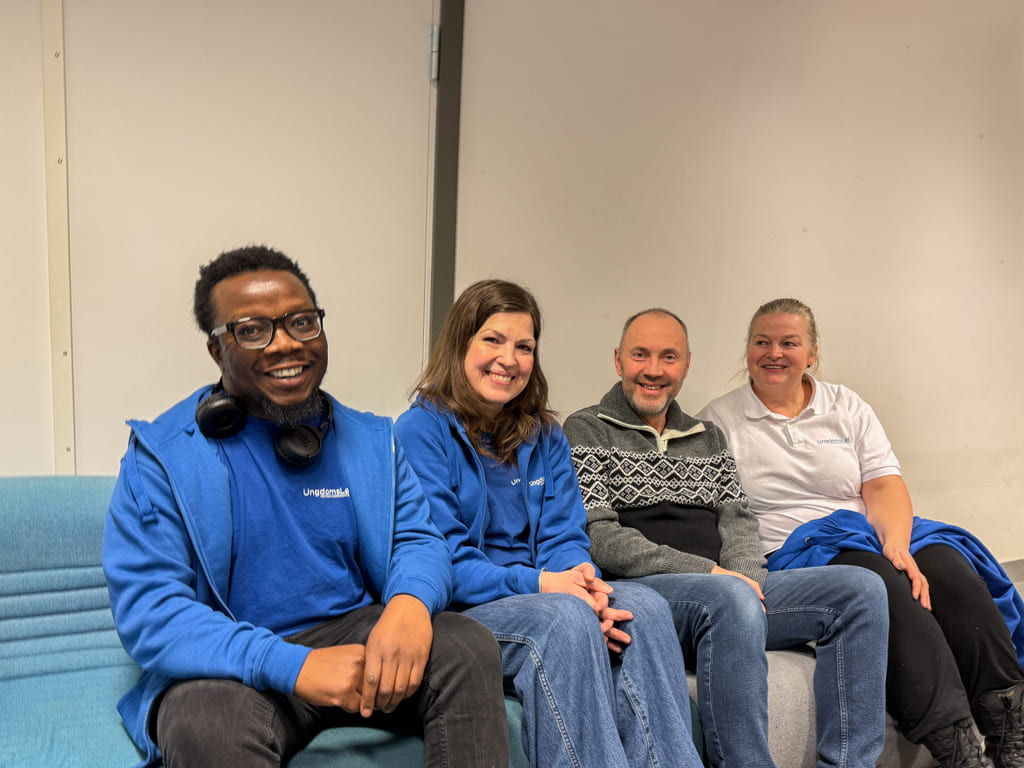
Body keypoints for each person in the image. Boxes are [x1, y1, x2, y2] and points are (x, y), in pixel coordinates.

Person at [103, 246, 509, 768]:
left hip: (357, 636)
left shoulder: (372, 440)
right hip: (236, 658)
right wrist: (294, 666)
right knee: (203, 720)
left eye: (302, 322)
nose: (286, 344)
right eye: (253, 330)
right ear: (216, 350)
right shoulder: (161, 456)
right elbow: (152, 612)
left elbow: (418, 539)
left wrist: (410, 602)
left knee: (467, 646)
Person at [699, 297, 1024, 768]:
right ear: (747, 350)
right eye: (762, 342)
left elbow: (883, 483)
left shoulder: (845, 404)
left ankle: (1010, 730)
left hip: (867, 529)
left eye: (789, 343)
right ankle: (956, 746)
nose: (774, 353)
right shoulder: (718, 419)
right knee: (879, 581)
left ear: (812, 353)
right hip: (795, 545)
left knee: (949, 569)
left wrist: (897, 543)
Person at [394, 280, 703, 768]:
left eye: (524, 346)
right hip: (464, 608)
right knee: (564, 618)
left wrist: (585, 585)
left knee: (643, 607)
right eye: (492, 340)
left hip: (547, 593)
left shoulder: (545, 434)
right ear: (460, 344)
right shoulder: (420, 431)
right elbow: (443, 563)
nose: (509, 359)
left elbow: (565, 536)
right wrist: (549, 588)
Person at [563, 308, 890, 768]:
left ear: (686, 366)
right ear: (618, 360)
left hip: (728, 589)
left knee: (861, 589)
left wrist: (745, 576)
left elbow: (738, 520)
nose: (653, 370)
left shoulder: (708, 436)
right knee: (731, 599)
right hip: (652, 595)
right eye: (640, 355)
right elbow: (599, 535)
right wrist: (712, 574)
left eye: (668, 357)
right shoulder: (586, 429)